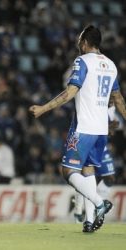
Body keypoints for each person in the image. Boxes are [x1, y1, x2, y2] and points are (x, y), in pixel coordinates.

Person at [29, 25, 126, 233]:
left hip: (83, 126)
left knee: (68, 171)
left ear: (84, 42)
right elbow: (117, 99)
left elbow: (70, 92)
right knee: (88, 170)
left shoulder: (81, 61)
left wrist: (44, 108)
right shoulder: (110, 65)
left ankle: (100, 203)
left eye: (79, 41)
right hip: (101, 129)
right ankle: (89, 221)